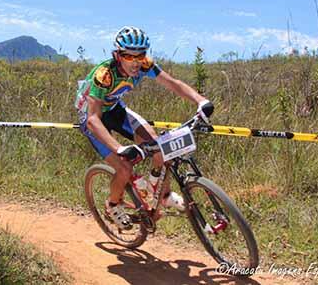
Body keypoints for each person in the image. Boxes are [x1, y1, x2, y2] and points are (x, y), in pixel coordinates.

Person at [75, 26, 214, 230]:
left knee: (159, 148)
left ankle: (161, 194)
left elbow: (173, 84)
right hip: (93, 117)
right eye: (129, 56)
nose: (135, 62)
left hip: (115, 109)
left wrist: (200, 100)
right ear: (117, 55)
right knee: (124, 168)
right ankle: (113, 205)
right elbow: (93, 119)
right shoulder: (104, 74)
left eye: (140, 55)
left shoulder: (144, 65)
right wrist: (120, 148)